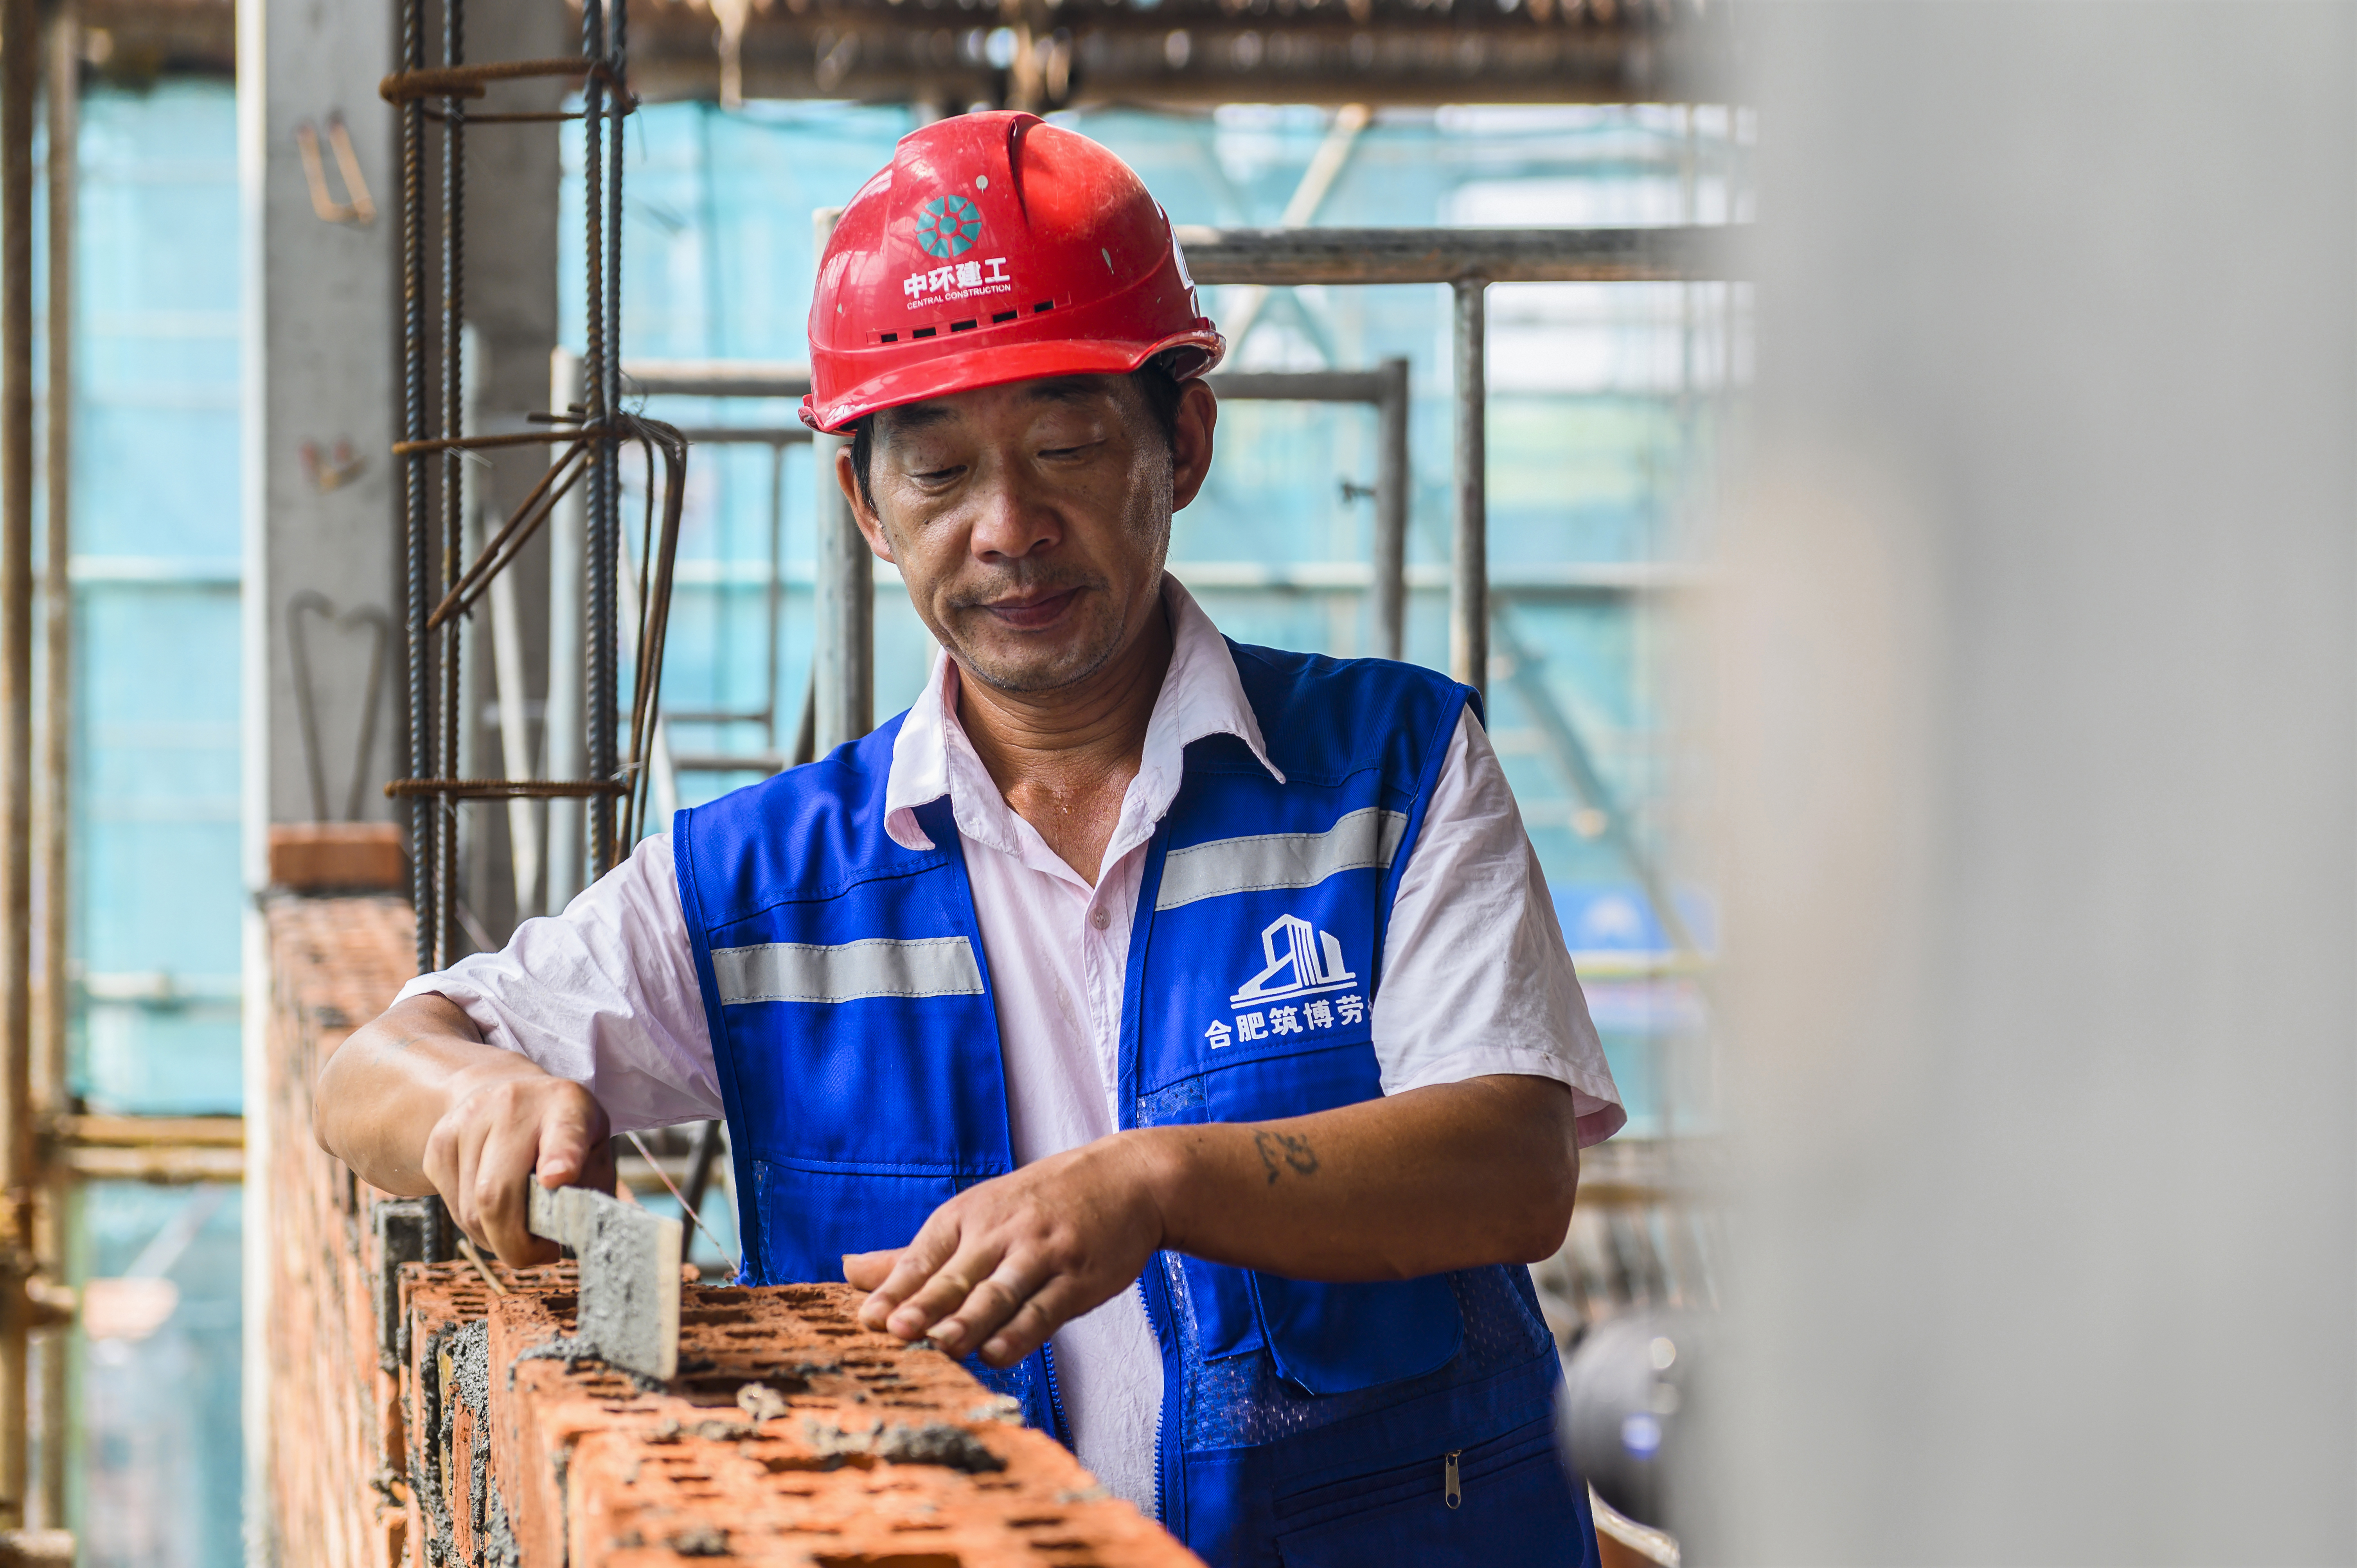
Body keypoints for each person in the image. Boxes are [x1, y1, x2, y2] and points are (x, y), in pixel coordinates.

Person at [315, 111, 1626, 1568]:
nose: (1009, 526)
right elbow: (362, 1073)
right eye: (937, 473)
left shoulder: (1389, 769)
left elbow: (1513, 1164)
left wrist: (1154, 1182)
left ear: (1180, 441)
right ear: (865, 504)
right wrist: (469, 1098)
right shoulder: (765, 879)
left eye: (1066, 445)